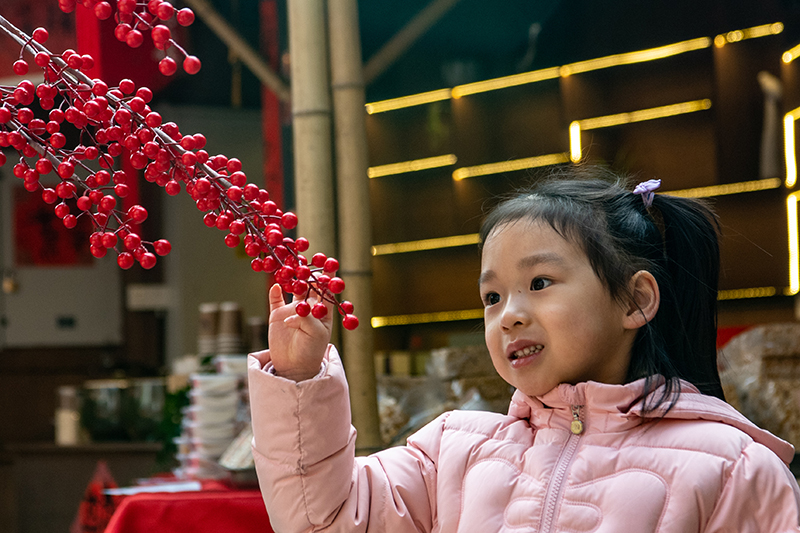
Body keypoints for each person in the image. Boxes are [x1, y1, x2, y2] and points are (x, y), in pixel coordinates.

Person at [248, 166, 800, 532]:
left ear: (635, 300)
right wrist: (300, 378)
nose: (508, 313)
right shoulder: (451, 453)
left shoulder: (732, 467)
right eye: (492, 296)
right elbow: (327, 517)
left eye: (538, 283)